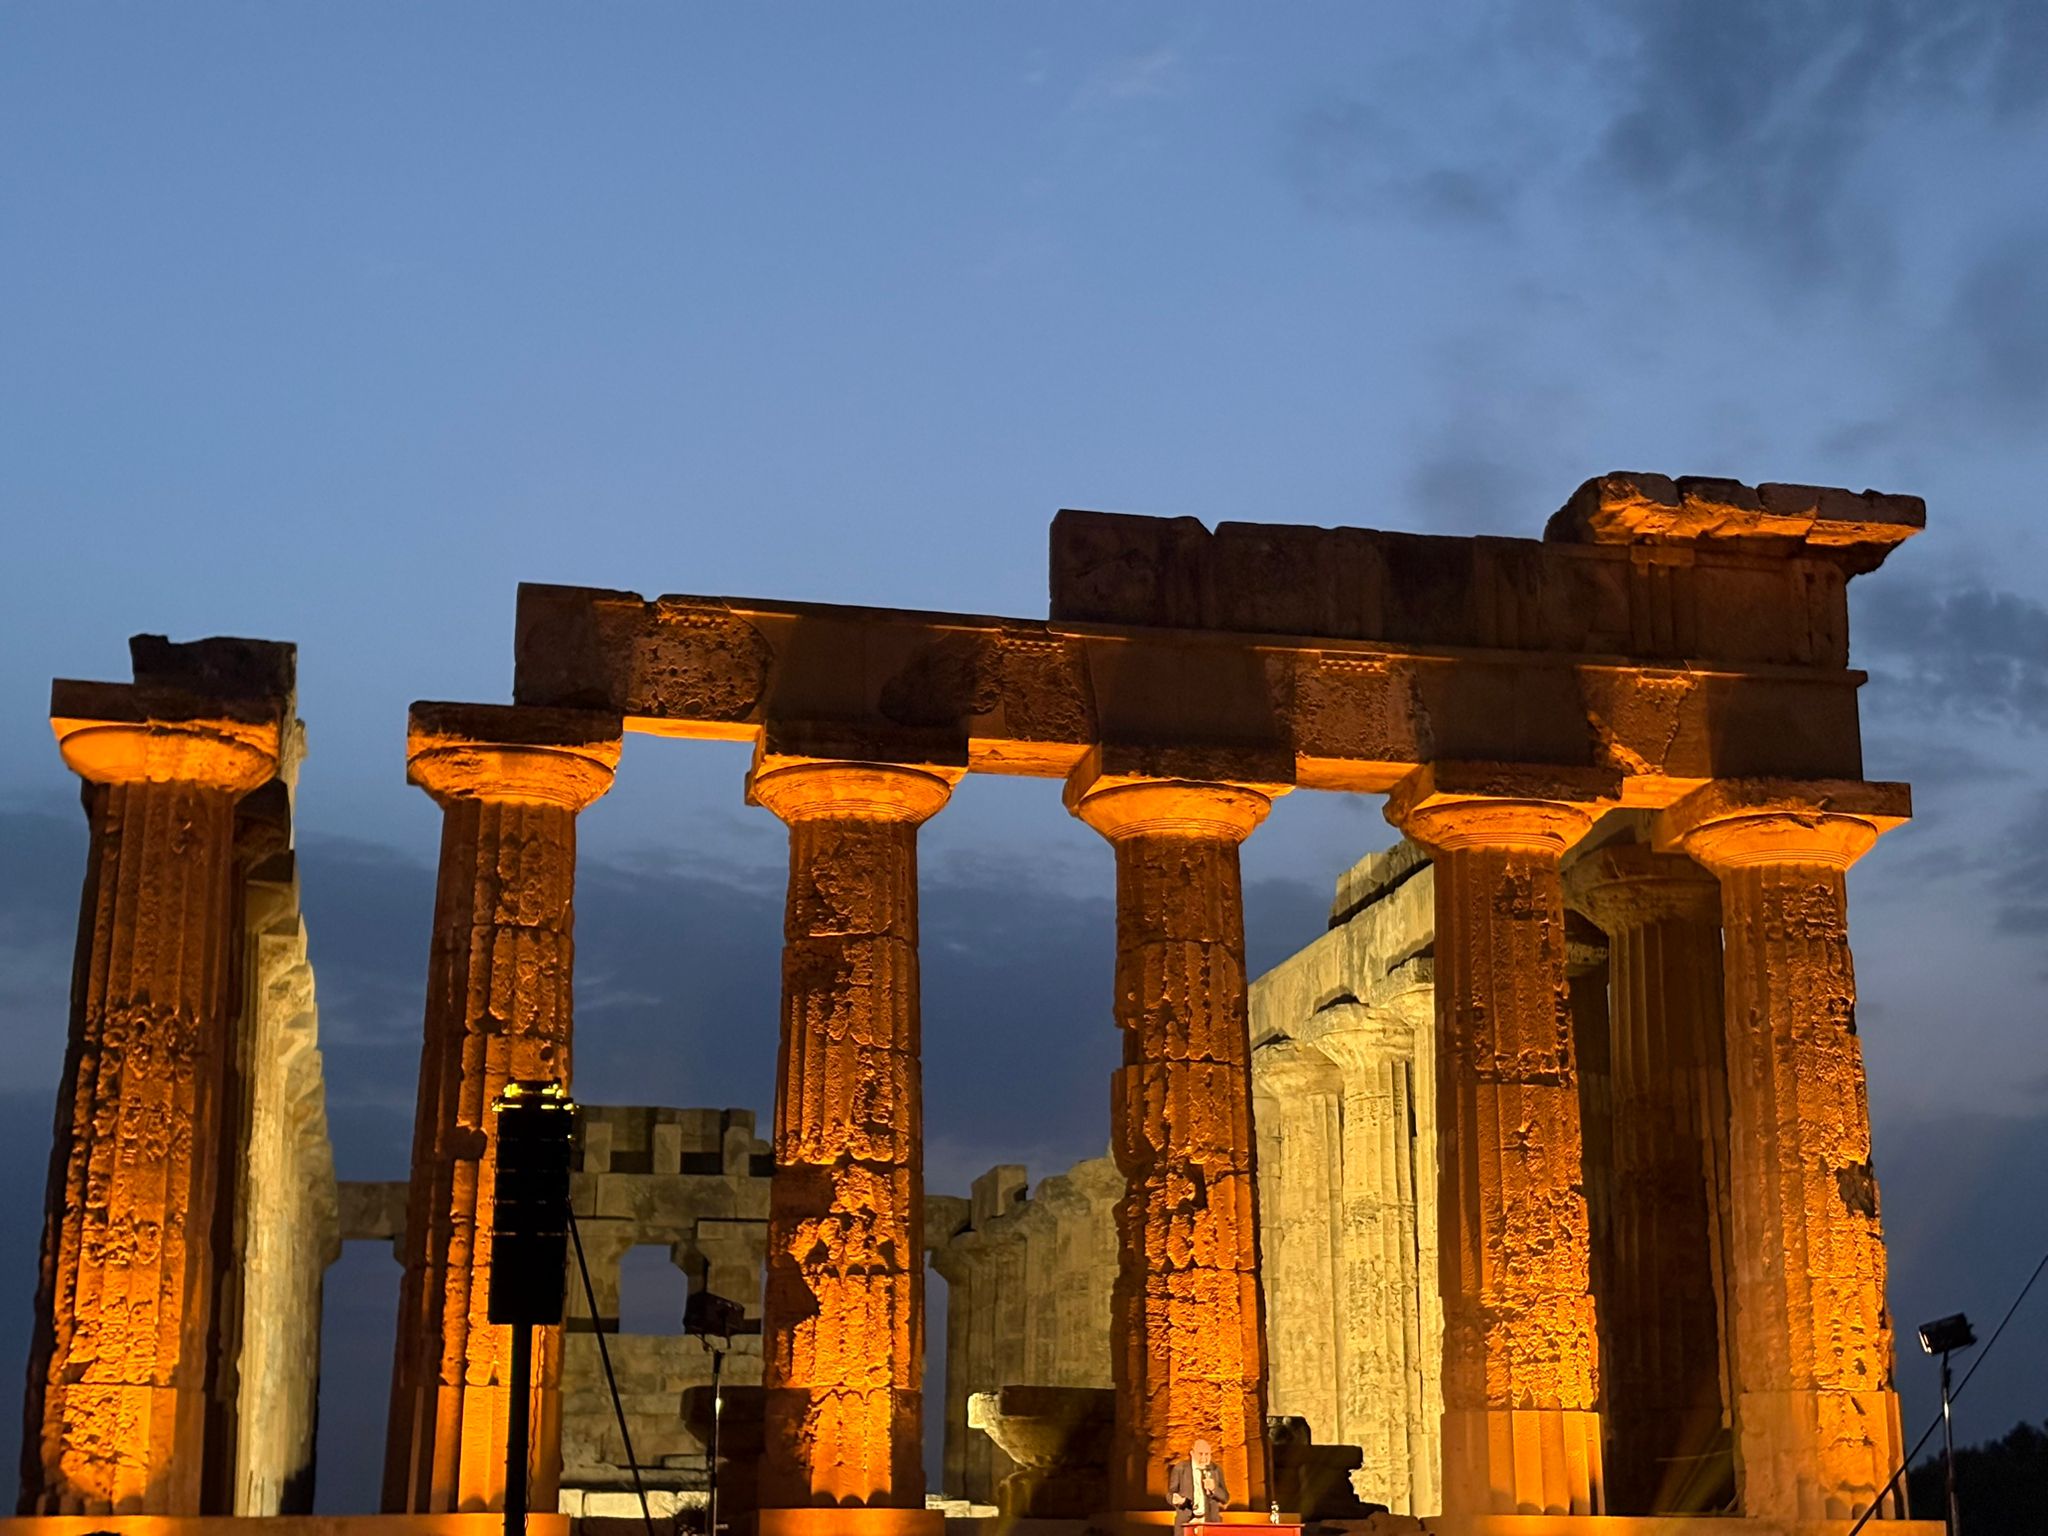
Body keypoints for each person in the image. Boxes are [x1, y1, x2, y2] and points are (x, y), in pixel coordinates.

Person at [1168, 1439, 1229, 1533]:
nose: (1204, 1458)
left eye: (1207, 1454)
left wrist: (1214, 1489)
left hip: (1210, 1523)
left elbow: (1225, 1498)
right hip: (1186, 1523)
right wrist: (1176, 1499)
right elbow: (1170, 1494)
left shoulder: (1216, 1470)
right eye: (1201, 1454)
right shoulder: (1180, 1469)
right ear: (1192, 1453)